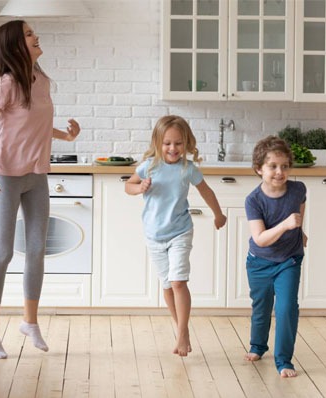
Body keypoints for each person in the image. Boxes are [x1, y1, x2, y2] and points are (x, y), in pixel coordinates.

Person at [0, 20, 81, 359]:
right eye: (29, 34)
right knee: (3, 253)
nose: (36, 36)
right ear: (14, 45)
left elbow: (34, 123)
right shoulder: (5, 84)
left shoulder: (41, 80)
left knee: (37, 249)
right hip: (5, 177)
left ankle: (29, 322)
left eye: (34, 32)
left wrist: (65, 136)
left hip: (36, 175)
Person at [125, 115, 227, 356]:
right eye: (168, 143)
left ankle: (181, 333)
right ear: (158, 142)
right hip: (154, 234)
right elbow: (128, 185)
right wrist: (139, 188)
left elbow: (206, 191)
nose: (173, 148)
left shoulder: (187, 169)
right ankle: (182, 328)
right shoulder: (148, 166)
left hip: (180, 231)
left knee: (179, 281)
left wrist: (218, 215)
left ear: (187, 144)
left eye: (179, 143)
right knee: (168, 285)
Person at [243, 135, 307, 378]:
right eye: (272, 166)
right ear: (259, 169)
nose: (280, 172)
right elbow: (260, 238)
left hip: (289, 260)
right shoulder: (253, 200)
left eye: (284, 166)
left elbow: (298, 213)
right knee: (262, 307)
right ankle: (258, 346)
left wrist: (300, 231)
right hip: (259, 261)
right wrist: (286, 225)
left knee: (287, 307)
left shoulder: (298, 189)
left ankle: (284, 361)